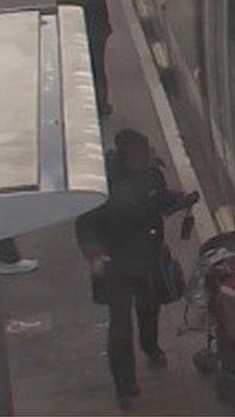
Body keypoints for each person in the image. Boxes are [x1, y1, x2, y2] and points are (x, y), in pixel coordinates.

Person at [76, 129, 198, 408]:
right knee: (120, 325)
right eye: (139, 155)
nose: (145, 159)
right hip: (115, 265)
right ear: (126, 155)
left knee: (149, 308)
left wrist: (182, 200)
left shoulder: (151, 174)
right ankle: (125, 384)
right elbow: (86, 224)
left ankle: (150, 345)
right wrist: (95, 255)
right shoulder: (103, 184)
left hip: (146, 259)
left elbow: (161, 199)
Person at [24, 0, 137, 117]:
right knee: (97, 67)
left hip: (72, 32)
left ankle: (79, 102)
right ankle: (101, 105)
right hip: (96, 31)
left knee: (77, 69)